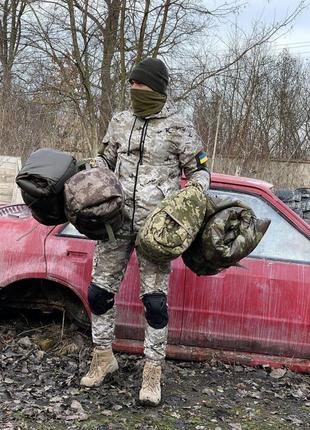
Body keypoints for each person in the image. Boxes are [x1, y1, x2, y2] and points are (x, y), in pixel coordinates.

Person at [80, 57, 210, 406]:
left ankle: (152, 372)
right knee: (98, 294)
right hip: (115, 220)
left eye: (139, 84)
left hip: (157, 228)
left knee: (154, 303)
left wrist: (193, 196)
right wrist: (91, 171)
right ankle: (103, 357)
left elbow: (199, 172)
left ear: (156, 87)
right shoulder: (121, 121)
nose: (134, 90)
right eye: (131, 85)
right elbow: (105, 160)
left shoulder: (179, 127)